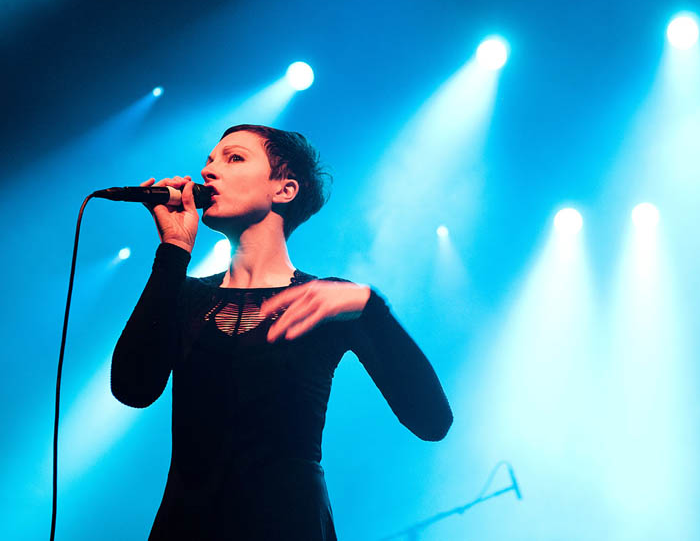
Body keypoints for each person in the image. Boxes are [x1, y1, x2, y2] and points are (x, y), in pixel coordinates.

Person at [110, 124, 453, 540]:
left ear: (284, 190)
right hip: (186, 526)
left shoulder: (328, 299)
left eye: (233, 158)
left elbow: (432, 421)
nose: (208, 172)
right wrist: (173, 251)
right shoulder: (185, 296)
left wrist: (370, 309)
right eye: (209, 161)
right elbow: (133, 388)